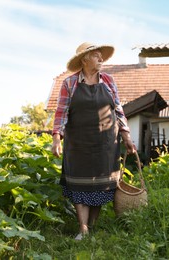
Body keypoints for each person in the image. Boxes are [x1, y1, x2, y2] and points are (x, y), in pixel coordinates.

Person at [51, 42, 136, 240]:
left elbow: (118, 108)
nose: (101, 59)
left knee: (102, 185)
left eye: (101, 56)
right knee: (78, 184)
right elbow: (61, 112)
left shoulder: (108, 80)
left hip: (105, 143)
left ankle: (92, 226)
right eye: (97, 56)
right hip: (78, 144)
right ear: (84, 59)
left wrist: (126, 135)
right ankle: (83, 229)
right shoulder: (69, 83)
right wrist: (57, 138)